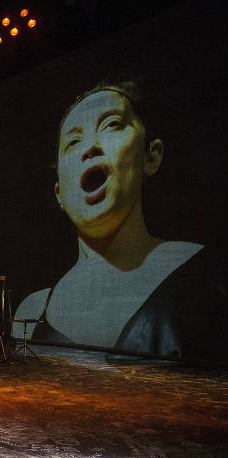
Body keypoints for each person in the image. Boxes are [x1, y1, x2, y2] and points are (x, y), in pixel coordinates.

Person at [15, 79, 228, 359]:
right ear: (59, 193)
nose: (89, 148)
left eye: (111, 125)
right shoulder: (31, 312)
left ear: (150, 156)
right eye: (73, 142)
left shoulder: (211, 279)